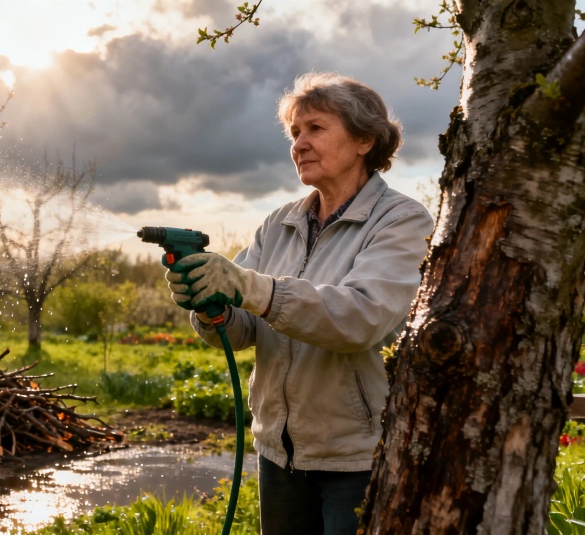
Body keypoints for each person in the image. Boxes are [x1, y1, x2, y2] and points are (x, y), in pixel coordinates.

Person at [165, 72, 434, 534]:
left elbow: (361, 317)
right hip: (279, 453)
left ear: (365, 139)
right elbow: (244, 328)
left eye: (315, 128)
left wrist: (251, 288)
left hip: (357, 457)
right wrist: (211, 306)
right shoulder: (280, 223)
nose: (299, 144)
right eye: (294, 132)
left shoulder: (402, 220)